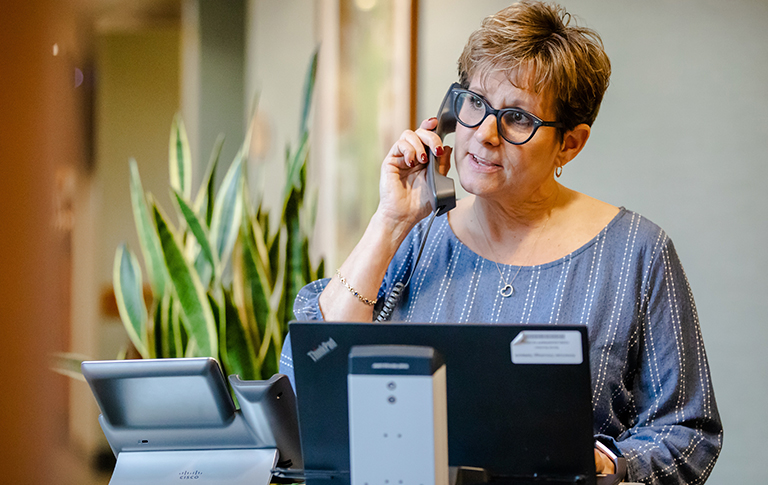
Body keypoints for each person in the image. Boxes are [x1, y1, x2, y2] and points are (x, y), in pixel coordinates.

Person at [280, 1, 722, 483]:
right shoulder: (414, 237)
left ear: (570, 143)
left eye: (516, 118)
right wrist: (389, 222)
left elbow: (689, 431)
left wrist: (610, 465)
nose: (485, 134)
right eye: (475, 103)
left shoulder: (637, 252)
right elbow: (308, 383)